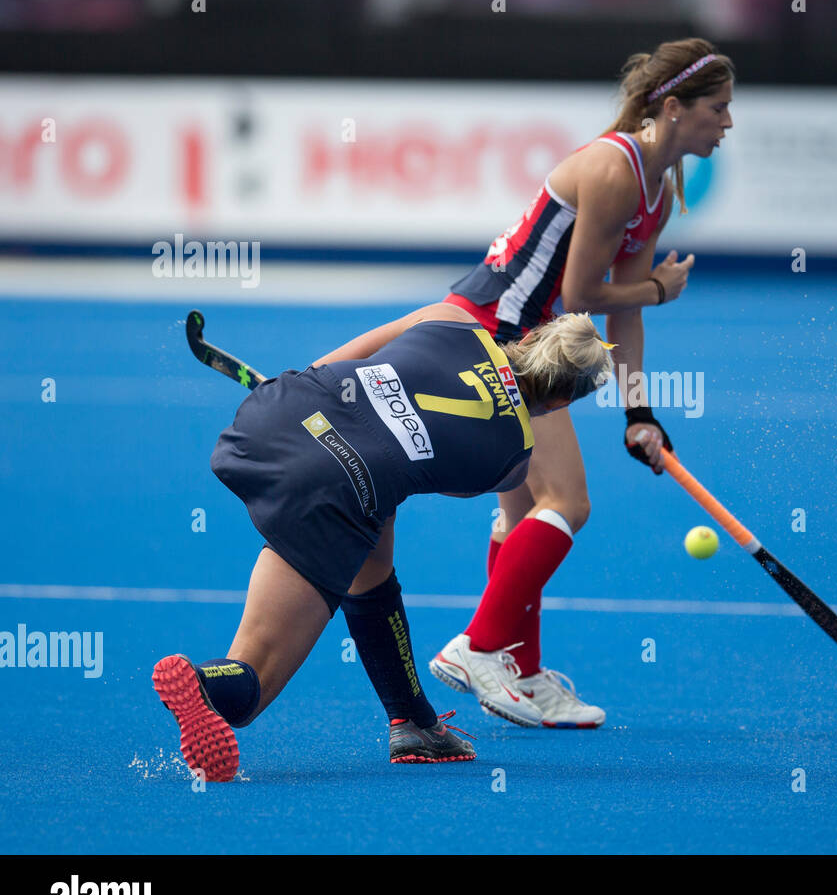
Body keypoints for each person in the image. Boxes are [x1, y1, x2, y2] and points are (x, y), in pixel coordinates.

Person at [152, 304, 614, 781]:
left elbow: (332, 364)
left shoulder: (452, 317)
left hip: (281, 411)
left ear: (534, 336)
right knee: (252, 689)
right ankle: (205, 681)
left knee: (372, 553)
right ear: (561, 403)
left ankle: (413, 721)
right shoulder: (512, 459)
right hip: (335, 482)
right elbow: (418, 465)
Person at [427, 38, 734, 728]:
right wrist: (661, 286)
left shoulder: (657, 188)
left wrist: (639, 412)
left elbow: (618, 305)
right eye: (719, 107)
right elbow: (582, 292)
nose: (729, 123)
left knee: (519, 513)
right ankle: (478, 646)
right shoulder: (614, 169)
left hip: (525, 335)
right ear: (675, 108)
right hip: (503, 334)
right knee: (568, 500)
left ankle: (523, 671)